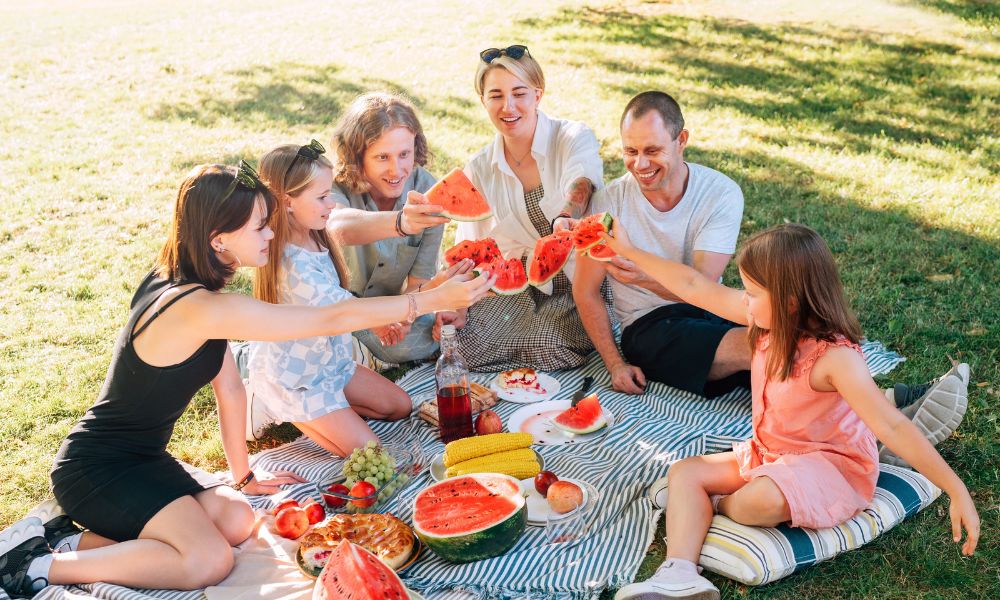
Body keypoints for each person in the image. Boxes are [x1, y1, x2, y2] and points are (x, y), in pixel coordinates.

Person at [0, 162, 493, 598]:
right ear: (218, 239)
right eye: (260, 226)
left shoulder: (196, 284)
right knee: (208, 562)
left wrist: (245, 476)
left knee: (238, 520)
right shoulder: (195, 307)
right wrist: (423, 302)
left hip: (143, 460)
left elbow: (230, 388)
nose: (271, 235)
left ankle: (70, 538)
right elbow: (324, 320)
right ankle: (37, 565)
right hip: (98, 468)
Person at [603, 223, 979, 600]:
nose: (743, 301)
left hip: (831, 465)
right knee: (684, 473)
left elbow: (892, 424)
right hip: (772, 454)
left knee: (758, 502)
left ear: (789, 301)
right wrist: (628, 248)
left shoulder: (836, 358)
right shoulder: (767, 323)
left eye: (751, 293)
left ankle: (718, 504)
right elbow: (694, 287)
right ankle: (679, 573)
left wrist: (955, 488)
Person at [246, 141, 474, 455]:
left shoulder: (315, 232)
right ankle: (276, 404)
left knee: (400, 406)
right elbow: (344, 311)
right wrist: (434, 295)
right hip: (300, 379)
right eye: (323, 197)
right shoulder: (292, 265)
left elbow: (338, 298)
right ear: (287, 202)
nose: (331, 204)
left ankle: (333, 415)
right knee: (371, 454)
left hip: (332, 362)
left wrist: (385, 320)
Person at [574, 90, 751, 397]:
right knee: (760, 347)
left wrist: (644, 278)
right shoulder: (608, 204)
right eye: (630, 151)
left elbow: (704, 287)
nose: (640, 164)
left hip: (710, 306)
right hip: (649, 326)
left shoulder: (721, 193)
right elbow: (585, 290)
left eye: (652, 150)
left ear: (681, 140)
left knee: (784, 345)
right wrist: (615, 364)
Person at [448, 44, 605, 371]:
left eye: (519, 93)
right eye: (495, 96)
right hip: (521, 288)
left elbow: (583, 181)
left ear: (538, 94)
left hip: (578, 283)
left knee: (547, 345)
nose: (508, 107)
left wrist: (565, 217)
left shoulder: (572, 136)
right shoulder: (479, 168)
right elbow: (473, 249)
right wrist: (457, 301)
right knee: (460, 342)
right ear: (483, 101)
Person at [327, 92, 449, 366]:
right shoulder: (333, 186)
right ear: (357, 157)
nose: (397, 170)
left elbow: (418, 282)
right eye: (382, 157)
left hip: (395, 307)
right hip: (337, 306)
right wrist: (401, 224)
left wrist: (405, 317)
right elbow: (337, 226)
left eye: (404, 154)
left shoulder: (428, 190)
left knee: (425, 338)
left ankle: (355, 352)